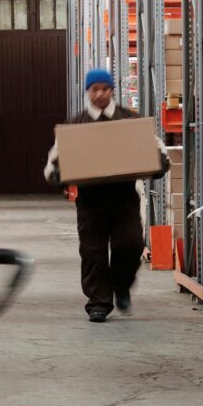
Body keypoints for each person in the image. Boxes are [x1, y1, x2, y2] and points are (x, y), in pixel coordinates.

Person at [44, 67, 162, 323]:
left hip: (124, 199)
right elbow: (54, 160)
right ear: (88, 92)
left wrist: (159, 162)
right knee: (93, 252)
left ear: (112, 91)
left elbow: (156, 149)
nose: (99, 94)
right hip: (91, 200)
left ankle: (121, 286)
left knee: (131, 245)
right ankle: (98, 302)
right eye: (94, 89)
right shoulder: (76, 125)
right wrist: (57, 174)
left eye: (104, 89)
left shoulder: (129, 120)